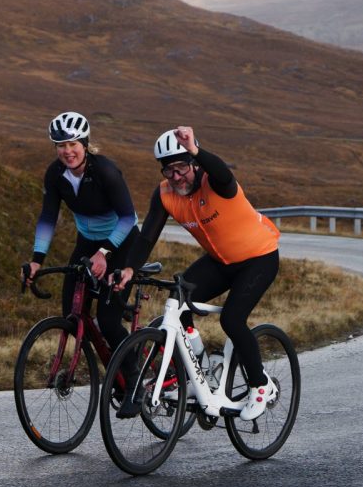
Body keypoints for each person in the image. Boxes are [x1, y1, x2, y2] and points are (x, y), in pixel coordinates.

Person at [118, 126, 281, 421]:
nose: (176, 176)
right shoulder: (166, 194)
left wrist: (194, 149)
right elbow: (147, 237)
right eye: (169, 170)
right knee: (178, 300)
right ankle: (200, 372)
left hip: (259, 258)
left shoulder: (214, 182)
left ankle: (260, 385)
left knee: (232, 319)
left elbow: (223, 173)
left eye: (181, 168)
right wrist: (130, 267)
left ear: (194, 163)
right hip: (220, 261)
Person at [23, 111, 138, 353]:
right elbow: (48, 217)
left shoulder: (105, 171)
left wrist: (104, 252)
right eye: (61, 145)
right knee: (72, 316)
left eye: (72, 144)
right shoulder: (55, 174)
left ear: (84, 144)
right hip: (87, 242)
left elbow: (128, 217)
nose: (67, 151)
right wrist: (36, 260)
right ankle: (98, 367)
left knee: (108, 322)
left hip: (121, 244)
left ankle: (132, 373)